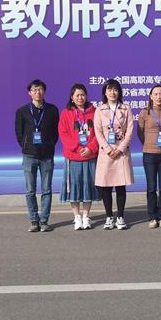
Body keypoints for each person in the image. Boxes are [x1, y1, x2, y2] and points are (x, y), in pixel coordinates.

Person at [15, 79, 59, 232]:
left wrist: (50, 145)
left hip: (47, 156)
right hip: (29, 156)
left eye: (40, 89)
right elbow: (19, 133)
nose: (37, 92)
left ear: (44, 91)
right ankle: (34, 220)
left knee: (46, 190)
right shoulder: (22, 111)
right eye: (34, 90)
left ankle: (44, 220)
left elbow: (56, 132)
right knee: (30, 190)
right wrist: (26, 146)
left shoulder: (52, 110)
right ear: (29, 93)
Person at [94, 79, 134, 230]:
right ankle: (109, 216)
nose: (112, 92)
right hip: (106, 153)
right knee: (106, 186)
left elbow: (130, 131)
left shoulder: (126, 108)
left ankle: (120, 216)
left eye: (115, 89)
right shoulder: (99, 110)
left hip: (121, 152)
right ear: (105, 92)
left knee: (120, 185)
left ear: (119, 92)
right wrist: (108, 149)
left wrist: (120, 148)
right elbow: (98, 132)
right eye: (109, 89)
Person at [58, 83, 99, 231]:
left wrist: (90, 148)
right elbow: (63, 134)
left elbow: (99, 133)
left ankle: (86, 216)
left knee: (88, 186)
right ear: (72, 97)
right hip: (73, 156)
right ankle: (77, 217)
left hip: (90, 156)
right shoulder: (66, 113)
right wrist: (78, 147)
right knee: (74, 187)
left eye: (82, 95)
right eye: (77, 95)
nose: (80, 98)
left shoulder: (95, 112)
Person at [137, 84, 161, 228]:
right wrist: (148, 144)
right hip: (149, 155)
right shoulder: (144, 113)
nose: (159, 97)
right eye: (156, 94)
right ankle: (152, 216)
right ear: (151, 96)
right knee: (151, 187)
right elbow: (140, 132)